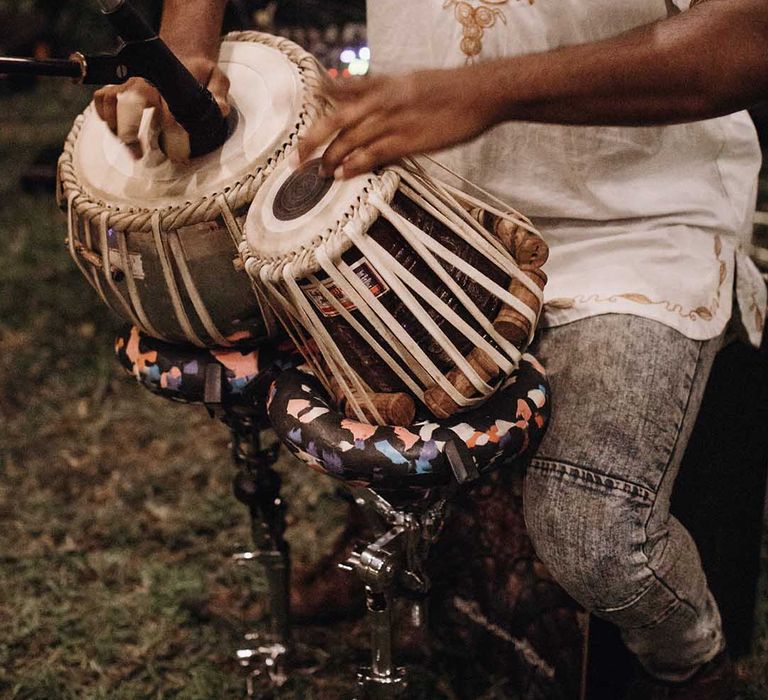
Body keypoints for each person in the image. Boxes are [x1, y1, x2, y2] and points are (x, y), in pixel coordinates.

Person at [96, 1, 768, 697]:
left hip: (642, 219)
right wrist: (182, 47)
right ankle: (383, 551)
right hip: (426, 188)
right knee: (365, 406)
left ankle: (697, 667)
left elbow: (750, 39)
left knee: (592, 537)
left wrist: (486, 91)